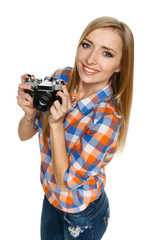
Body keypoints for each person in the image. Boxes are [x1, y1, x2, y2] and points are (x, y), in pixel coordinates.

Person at [17, 16, 134, 240]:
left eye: (106, 53)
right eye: (87, 45)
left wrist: (56, 124)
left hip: (81, 212)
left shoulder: (107, 119)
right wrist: (30, 113)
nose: (90, 59)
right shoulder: (61, 77)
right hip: (51, 196)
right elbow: (24, 135)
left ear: (120, 66)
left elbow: (67, 182)